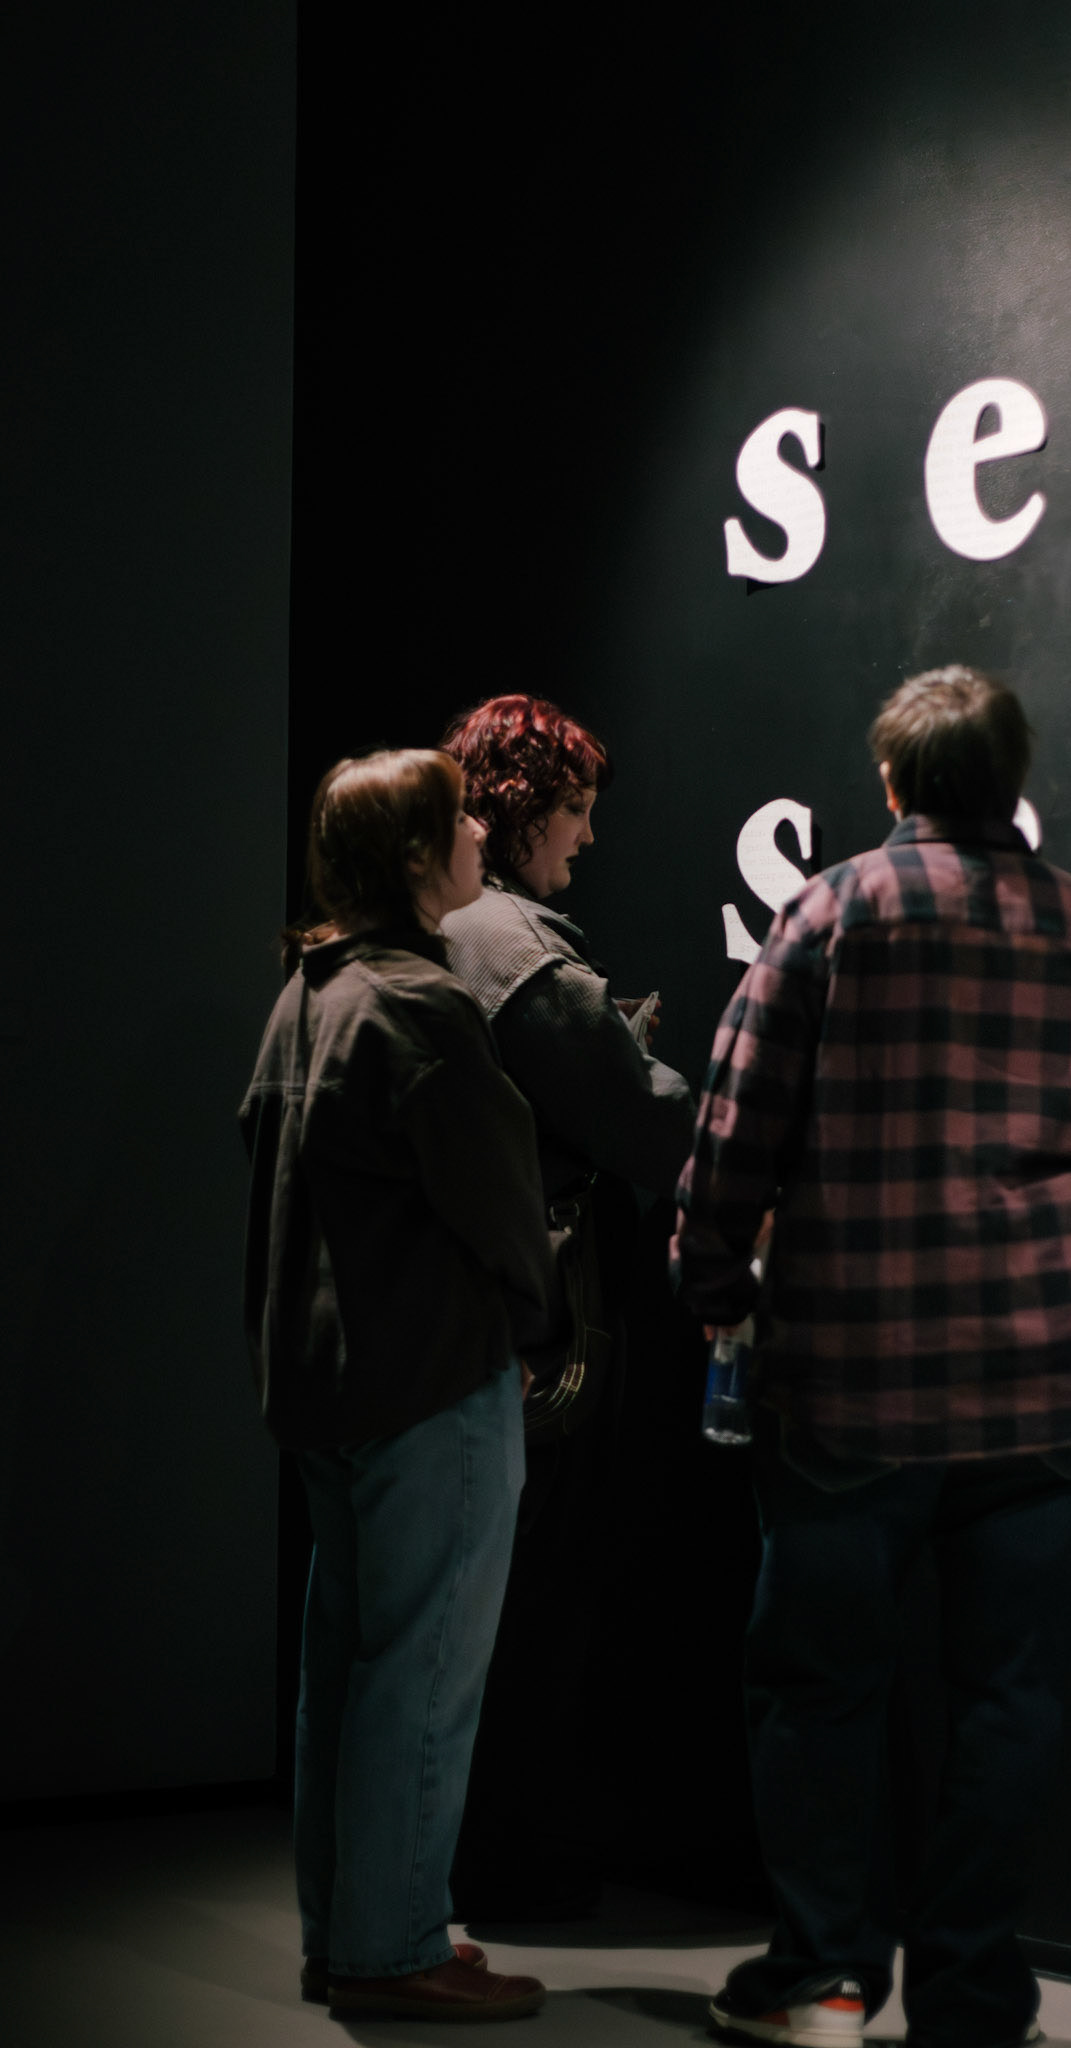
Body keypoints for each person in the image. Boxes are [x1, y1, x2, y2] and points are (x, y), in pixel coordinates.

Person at [673, 667, 1071, 2048]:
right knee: (1008, 1702)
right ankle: (971, 1999)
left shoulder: (831, 912)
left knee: (822, 1688)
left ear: (893, 780)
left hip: (856, 1379)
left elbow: (735, 1130)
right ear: (1012, 780)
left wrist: (714, 1289)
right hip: (1058, 1390)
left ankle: (823, 1979)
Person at [239, 748, 554, 2022]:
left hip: (327, 1385)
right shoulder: (419, 1004)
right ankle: (395, 1947)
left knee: (348, 1670)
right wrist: (533, 1308)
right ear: (417, 854)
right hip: (429, 1379)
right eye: (458, 815)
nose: (481, 828)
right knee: (423, 1670)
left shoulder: (307, 996)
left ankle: (352, 1930)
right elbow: (501, 1197)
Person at [440, 692, 697, 1918]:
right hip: (539, 1339)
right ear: (521, 806)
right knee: (535, 1606)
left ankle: (450, 1864)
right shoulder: (514, 949)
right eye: (577, 810)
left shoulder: (438, 931)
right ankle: (511, 1867)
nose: (588, 838)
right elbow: (645, 1118)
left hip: (460, 1328)